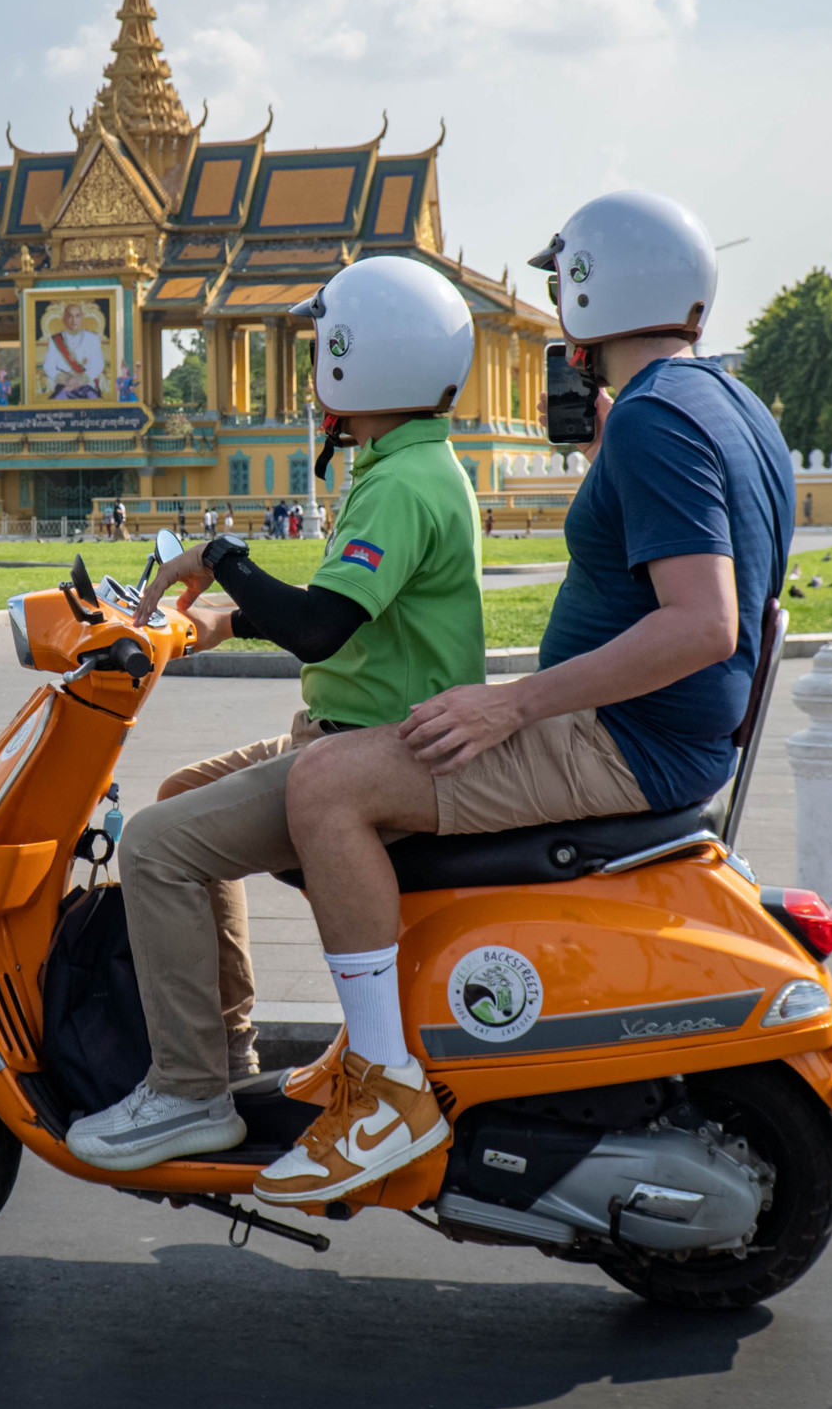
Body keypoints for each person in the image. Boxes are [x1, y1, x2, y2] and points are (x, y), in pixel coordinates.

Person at [263, 189, 791, 1210]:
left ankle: (384, 1090)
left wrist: (514, 704)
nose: (556, 307)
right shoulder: (726, 405)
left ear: (590, 290)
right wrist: (605, 446)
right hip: (665, 733)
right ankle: (394, 1040)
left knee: (325, 785)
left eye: (562, 285)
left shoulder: (655, 421)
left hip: (623, 738)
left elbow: (702, 623)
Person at [62, 254, 484, 1173]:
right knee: (181, 794)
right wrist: (225, 617)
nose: (313, 364)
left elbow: (320, 628)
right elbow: (349, 609)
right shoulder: (406, 463)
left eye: (324, 344)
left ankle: (185, 1091)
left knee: (155, 845)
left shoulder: (401, 482)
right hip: (359, 735)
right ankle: (225, 1056)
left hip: (375, 754)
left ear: (358, 355)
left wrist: (224, 558)